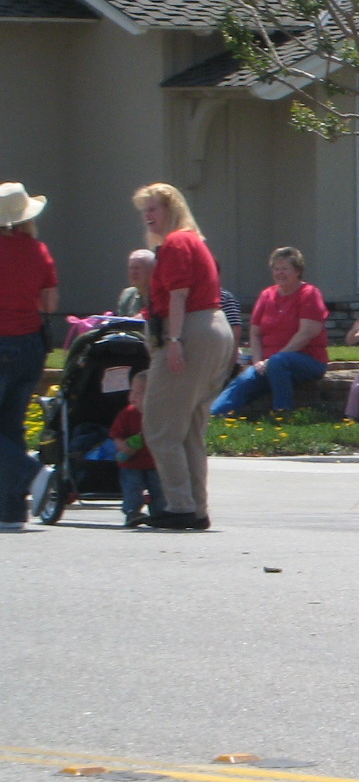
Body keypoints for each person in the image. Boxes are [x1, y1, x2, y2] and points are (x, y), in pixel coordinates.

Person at [133, 182, 236, 531]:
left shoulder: (176, 241)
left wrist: (174, 340)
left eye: (154, 208)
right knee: (189, 428)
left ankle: (179, 507)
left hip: (190, 330)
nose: (147, 215)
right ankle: (195, 508)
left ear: (171, 209)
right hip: (212, 329)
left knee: (160, 425)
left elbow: (178, 296)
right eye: (144, 209)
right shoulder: (193, 240)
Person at [209, 247, 330, 417]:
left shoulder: (309, 294)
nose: (279, 273)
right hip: (268, 363)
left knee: (279, 362)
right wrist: (258, 361)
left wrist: (272, 360)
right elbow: (255, 333)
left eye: (284, 269)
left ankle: (282, 411)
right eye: (276, 268)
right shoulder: (267, 295)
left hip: (307, 360)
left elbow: (307, 333)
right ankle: (213, 416)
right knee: (244, 381)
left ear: (298, 271)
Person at [0, 182, 58, 533]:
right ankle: (11, 511)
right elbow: (50, 304)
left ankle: (31, 473)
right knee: (10, 426)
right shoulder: (39, 251)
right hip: (30, 345)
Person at [110, 368, 161, 528]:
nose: (133, 396)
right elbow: (116, 435)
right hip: (131, 463)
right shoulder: (127, 414)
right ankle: (132, 512)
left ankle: (159, 513)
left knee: (159, 489)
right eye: (132, 391)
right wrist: (123, 446)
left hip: (154, 463)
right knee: (133, 487)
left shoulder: (159, 416)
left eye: (139, 393)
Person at [114, 249, 152, 317]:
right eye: (130, 268)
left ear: (152, 270)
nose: (133, 272)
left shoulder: (161, 295)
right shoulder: (128, 295)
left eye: (137, 268)